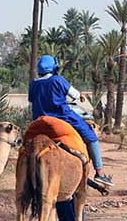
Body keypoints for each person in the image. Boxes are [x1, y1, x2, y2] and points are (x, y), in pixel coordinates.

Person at [28, 55, 114, 189]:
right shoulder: (58, 80)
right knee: (91, 137)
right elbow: (74, 94)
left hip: (38, 121)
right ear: (54, 67)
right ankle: (99, 172)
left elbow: (31, 100)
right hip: (61, 118)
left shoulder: (34, 84)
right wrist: (80, 96)